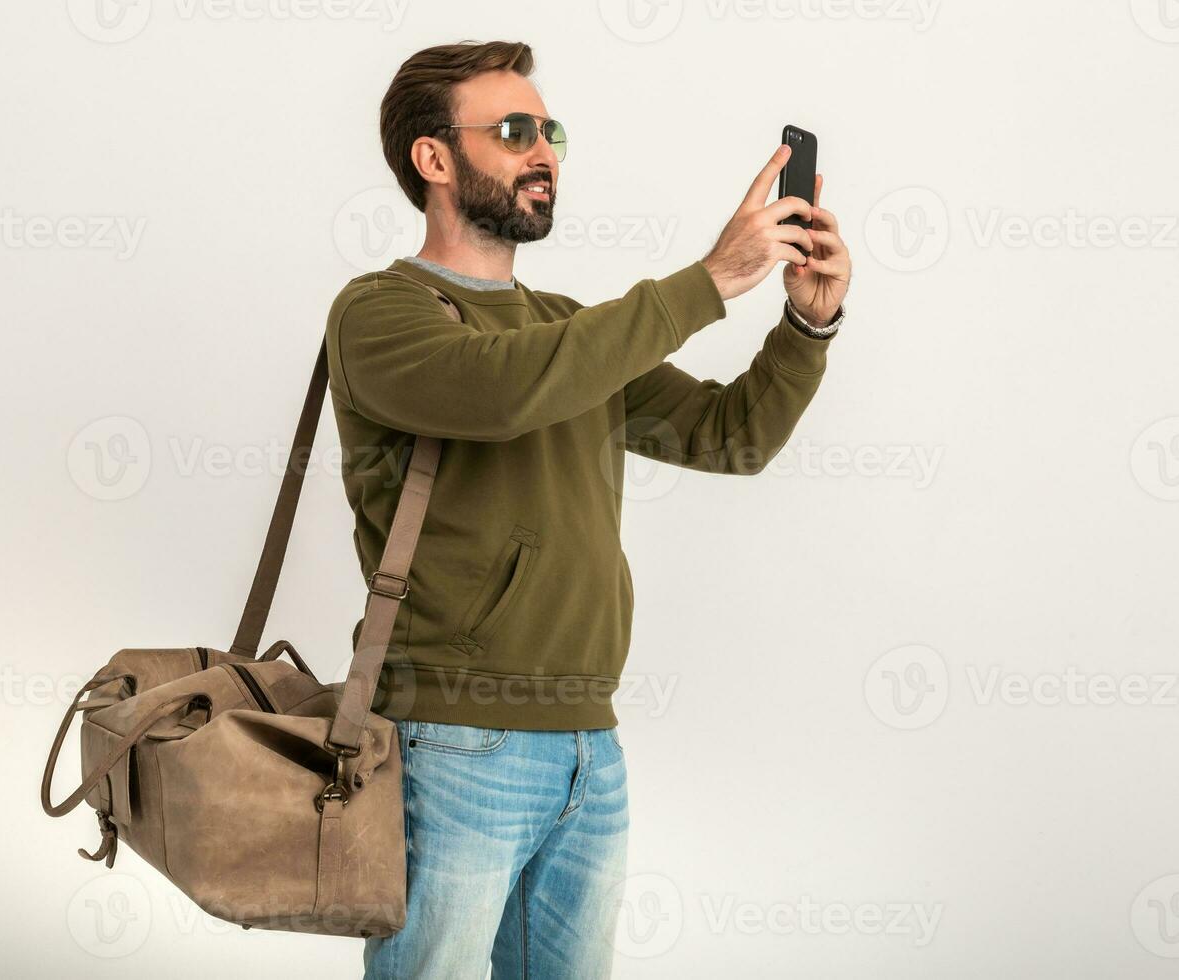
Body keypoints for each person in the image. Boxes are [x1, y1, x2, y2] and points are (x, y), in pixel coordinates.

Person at [324, 40, 852, 979]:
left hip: (588, 747)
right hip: (453, 743)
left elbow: (733, 437)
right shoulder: (380, 313)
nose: (544, 152)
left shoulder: (567, 326)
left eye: (550, 131)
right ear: (434, 159)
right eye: (513, 130)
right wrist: (706, 283)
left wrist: (805, 325)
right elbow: (498, 394)